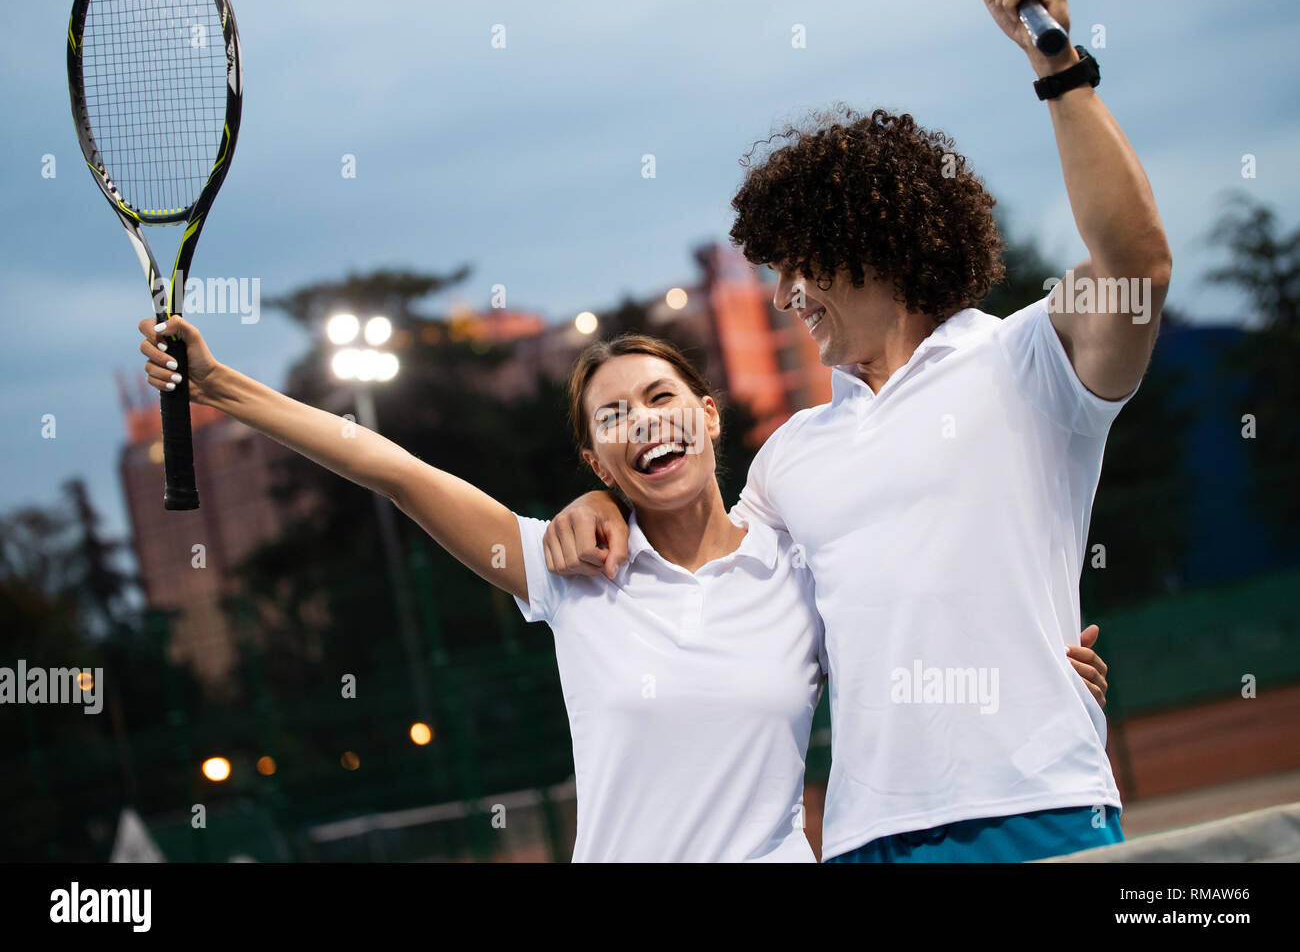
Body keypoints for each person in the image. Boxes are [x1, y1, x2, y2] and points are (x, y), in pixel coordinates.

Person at [540, 0, 1165, 862]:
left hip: (1036, 808)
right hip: (864, 842)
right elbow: (710, 569)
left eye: (799, 262)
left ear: (875, 242)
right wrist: (593, 502)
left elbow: (1138, 266)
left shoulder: (1029, 361)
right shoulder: (789, 459)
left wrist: (1056, 65)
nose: (784, 292)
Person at [137, 319, 1108, 861]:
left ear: (708, 416)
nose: (641, 422)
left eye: (658, 398)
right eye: (613, 415)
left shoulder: (797, 571)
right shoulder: (569, 575)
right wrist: (223, 387)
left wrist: (1047, 671)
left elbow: (920, 620)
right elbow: (391, 466)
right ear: (594, 455)